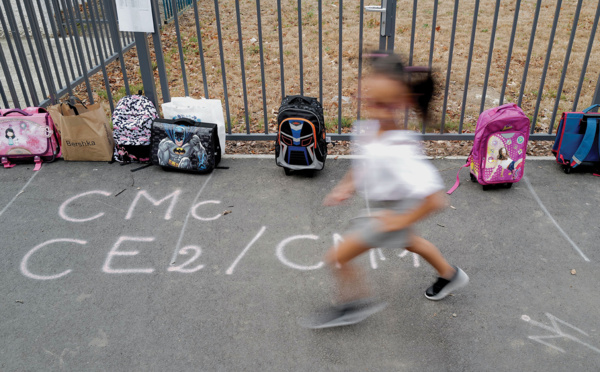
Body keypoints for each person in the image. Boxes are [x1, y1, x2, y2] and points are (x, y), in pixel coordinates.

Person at [302, 52, 469, 329]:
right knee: (410, 241)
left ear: (400, 104)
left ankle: (350, 305)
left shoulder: (400, 148)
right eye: (369, 99)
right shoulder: (367, 129)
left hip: (392, 214)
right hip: (385, 208)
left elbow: (435, 200)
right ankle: (450, 275)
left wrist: (398, 220)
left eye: (382, 103)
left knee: (336, 258)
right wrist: (346, 185)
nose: (372, 107)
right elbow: (363, 165)